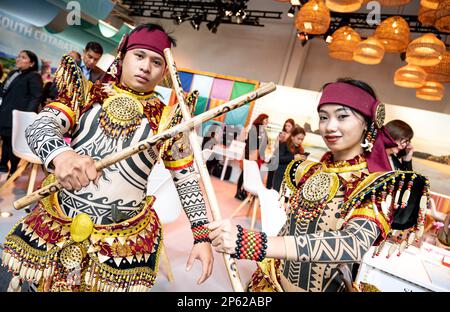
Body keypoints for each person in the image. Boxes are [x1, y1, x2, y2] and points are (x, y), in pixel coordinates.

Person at [1, 23, 213, 292]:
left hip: (122, 240)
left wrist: (201, 235)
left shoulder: (170, 120)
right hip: (59, 221)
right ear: (122, 57)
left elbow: (185, 177)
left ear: (165, 72)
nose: (146, 67)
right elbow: (40, 126)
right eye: (139, 56)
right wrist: (62, 155)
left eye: (156, 61)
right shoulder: (86, 95)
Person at [208, 78, 430, 292]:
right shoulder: (307, 169)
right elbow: (291, 228)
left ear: (367, 124)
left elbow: (353, 243)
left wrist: (255, 242)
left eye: (342, 116)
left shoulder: (375, 183)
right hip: (270, 280)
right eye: (324, 117)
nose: (329, 126)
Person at [0, 50, 43, 176]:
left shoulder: (34, 76)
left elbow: (36, 97)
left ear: (32, 63)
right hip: (5, 112)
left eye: (23, 57)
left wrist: (26, 117)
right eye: (19, 56)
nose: (18, 59)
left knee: (12, 143)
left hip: (18, 116)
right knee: (5, 140)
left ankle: (13, 169)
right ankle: (3, 164)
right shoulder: (14, 73)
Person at [234, 113, 269, 200]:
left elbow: (264, 143)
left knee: (251, 174)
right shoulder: (254, 128)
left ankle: (244, 192)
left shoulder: (263, 131)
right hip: (251, 154)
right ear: (261, 120)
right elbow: (251, 143)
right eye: (266, 120)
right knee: (244, 173)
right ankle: (238, 192)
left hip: (257, 156)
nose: (267, 122)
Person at [271, 125, 306, 192]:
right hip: (280, 174)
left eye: (302, 139)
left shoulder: (300, 149)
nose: (300, 141)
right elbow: (278, 159)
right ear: (292, 137)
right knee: (276, 194)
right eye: (298, 139)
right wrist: (293, 157)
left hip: (291, 177)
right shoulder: (284, 144)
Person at [266, 118, 295, 189]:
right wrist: (279, 140)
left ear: (293, 127)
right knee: (270, 175)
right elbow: (275, 146)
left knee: (277, 179)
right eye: (286, 126)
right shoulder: (281, 133)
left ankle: (273, 192)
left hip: (282, 160)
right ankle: (267, 190)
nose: (287, 128)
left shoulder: (293, 137)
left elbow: (291, 150)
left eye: (289, 126)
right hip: (275, 156)